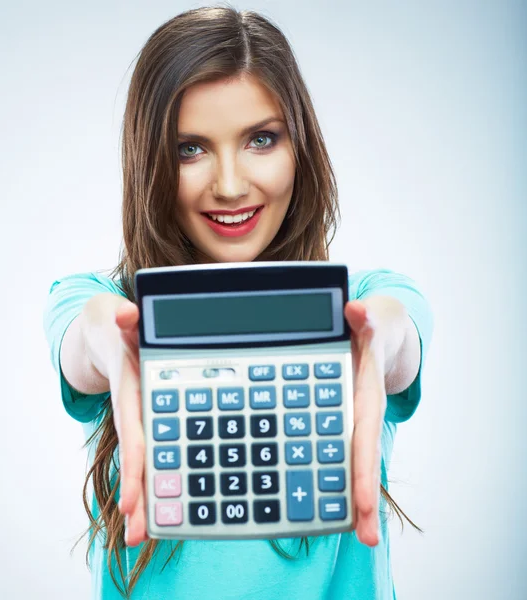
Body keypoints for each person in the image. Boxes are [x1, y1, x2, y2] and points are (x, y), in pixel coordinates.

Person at [43, 6, 434, 599]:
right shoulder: (105, 307)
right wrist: (105, 338)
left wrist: (382, 340)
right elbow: (83, 340)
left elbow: (396, 336)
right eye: (190, 149)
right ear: (150, 161)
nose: (229, 184)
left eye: (260, 139)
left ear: (299, 147)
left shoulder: (366, 304)